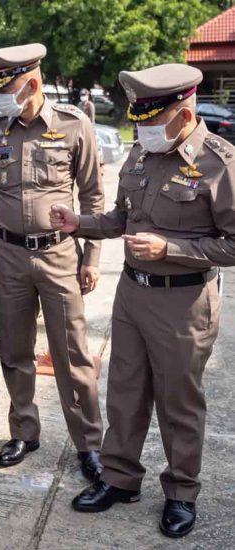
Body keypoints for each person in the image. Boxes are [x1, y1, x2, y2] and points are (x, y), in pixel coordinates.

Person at [50, 63, 235, 538]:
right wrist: (79, 224)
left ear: (183, 110)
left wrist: (171, 248)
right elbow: (120, 218)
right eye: (140, 120)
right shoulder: (141, 154)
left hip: (184, 301)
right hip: (132, 295)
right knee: (126, 394)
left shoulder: (220, 162)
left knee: (179, 403)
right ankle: (120, 478)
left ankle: (180, 492)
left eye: (152, 118)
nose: (144, 128)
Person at [0, 43, 105, 480]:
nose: (1, 97)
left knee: (73, 355)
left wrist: (92, 255)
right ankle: (24, 430)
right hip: (6, 257)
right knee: (16, 351)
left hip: (60, 255)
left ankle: (88, 445)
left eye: (7, 88)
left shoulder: (74, 127)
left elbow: (94, 195)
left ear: (33, 83)